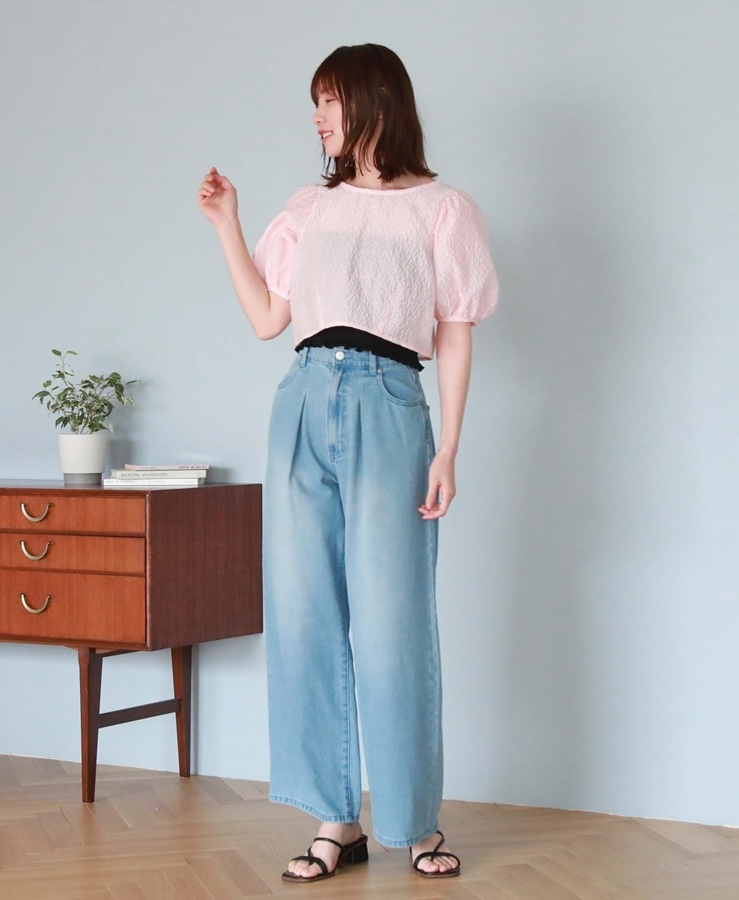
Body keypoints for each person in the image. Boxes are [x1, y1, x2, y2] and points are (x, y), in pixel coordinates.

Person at [197, 42, 498, 883]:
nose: (318, 117)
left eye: (329, 100)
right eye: (316, 103)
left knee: (394, 618)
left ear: (375, 103)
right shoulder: (310, 206)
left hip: (389, 402)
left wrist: (449, 448)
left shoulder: (443, 209)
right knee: (303, 613)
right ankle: (337, 819)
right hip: (302, 398)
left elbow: (455, 333)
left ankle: (415, 823)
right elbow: (268, 318)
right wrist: (227, 225)